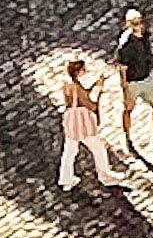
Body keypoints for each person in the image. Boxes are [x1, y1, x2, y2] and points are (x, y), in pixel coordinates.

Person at [55, 57, 128, 190]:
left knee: (70, 150)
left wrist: (96, 85)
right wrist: (99, 92)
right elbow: (89, 104)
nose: (85, 71)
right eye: (83, 69)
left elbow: (80, 96)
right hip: (81, 123)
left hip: (71, 121)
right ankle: (105, 176)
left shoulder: (67, 85)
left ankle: (65, 179)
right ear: (78, 71)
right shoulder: (76, 86)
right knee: (98, 148)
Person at [112, 6, 153, 148]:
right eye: (134, 23)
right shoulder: (125, 44)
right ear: (128, 24)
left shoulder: (145, 36)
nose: (138, 26)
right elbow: (122, 66)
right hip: (133, 81)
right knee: (129, 109)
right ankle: (127, 137)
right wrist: (124, 85)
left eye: (139, 22)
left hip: (147, 77)